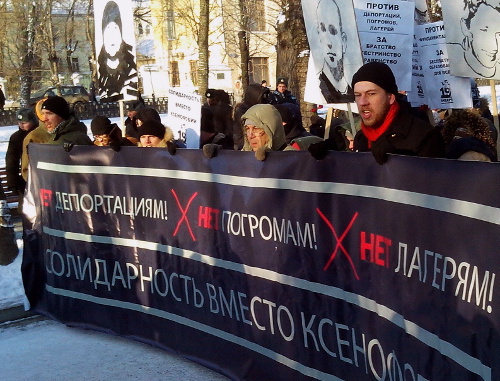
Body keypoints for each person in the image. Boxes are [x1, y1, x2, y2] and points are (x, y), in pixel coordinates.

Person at [350, 62, 445, 164]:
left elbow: (435, 178)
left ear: (390, 98)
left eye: (371, 94)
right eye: (358, 95)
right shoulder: (361, 138)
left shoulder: (424, 137)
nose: (362, 102)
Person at [97, 0, 138, 102]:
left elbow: (131, 92)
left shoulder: (131, 70)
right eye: (108, 30)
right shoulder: (101, 72)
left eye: (115, 29)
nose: (112, 37)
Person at [315, 0, 353, 102]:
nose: (329, 43)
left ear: (344, 41)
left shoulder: (353, 92)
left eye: (333, 31)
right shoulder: (318, 89)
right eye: (323, 30)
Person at [450, 2, 500, 78]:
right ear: (465, 28)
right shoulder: (449, 60)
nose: (495, 48)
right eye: (484, 30)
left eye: (499, 34)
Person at [6, 109, 39, 200]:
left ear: (33, 121)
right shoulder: (16, 137)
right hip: (25, 180)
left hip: (41, 178)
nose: (21, 125)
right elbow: (11, 160)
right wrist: (12, 182)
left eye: (24, 123)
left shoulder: (41, 135)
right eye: (19, 122)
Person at [233, 83, 271, 150]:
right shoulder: (243, 111)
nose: (264, 99)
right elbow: (247, 130)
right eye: (262, 97)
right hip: (244, 146)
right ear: (254, 96)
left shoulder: (261, 108)